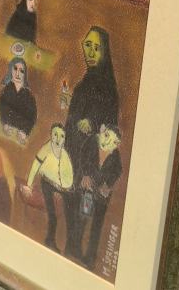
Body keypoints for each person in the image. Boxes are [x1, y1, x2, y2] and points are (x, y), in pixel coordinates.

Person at [64, 26, 119, 258]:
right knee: (71, 213)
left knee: (84, 215)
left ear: (104, 52)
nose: (91, 52)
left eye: (97, 47)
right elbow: (71, 121)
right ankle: (72, 252)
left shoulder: (109, 90)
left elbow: (110, 133)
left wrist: (92, 124)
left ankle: (78, 256)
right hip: (72, 159)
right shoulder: (82, 85)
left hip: (91, 167)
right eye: (88, 45)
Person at [21, 123, 75, 253]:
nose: (58, 138)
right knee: (53, 214)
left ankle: (71, 245)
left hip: (62, 187)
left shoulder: (65, 154)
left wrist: (67, 187)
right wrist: (29, 185)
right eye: (55, 134)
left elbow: (69, 174)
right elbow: (35, 165)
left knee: (71, 211)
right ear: (51, 135)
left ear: (64, 139)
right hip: (47, 183)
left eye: (61, 136)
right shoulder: (46, 149)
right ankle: (49, 241)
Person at [78, 124, 122, 269]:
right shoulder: (92, 142)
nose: (107, 141)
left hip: (102, 196)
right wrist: (85, 174)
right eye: (106, 135)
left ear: (116, 144)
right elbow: (83, 156)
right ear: (103, 131)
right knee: (84, 217)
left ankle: (90, 258)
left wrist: (108, 185)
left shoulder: (115, 155)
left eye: (112, 141)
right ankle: (76, 249)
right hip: (89, 189)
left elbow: (118, 171)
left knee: (96, 225)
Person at [0, 58, 37, 144]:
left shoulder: (28, 95)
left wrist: (25, 132)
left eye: (21, 71)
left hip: (21, 135)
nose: (17, 73)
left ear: (24, 74)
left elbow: (32, 117)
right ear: (11, 70)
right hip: (7, 134)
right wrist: (4, 124)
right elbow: (2, 109)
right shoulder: (6, 90)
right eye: (15, 69)